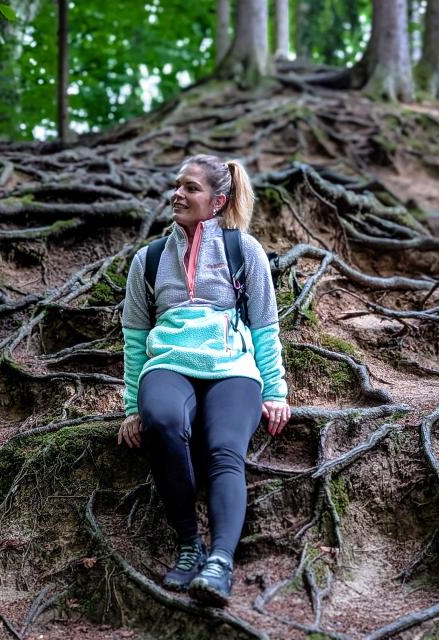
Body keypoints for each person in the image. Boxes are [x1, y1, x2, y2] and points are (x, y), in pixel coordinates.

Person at [117, 154, 291, 606]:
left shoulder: (244, 250)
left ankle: (220, 562)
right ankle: (189, 545)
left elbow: (265, 328)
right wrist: (132, 407)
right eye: (178, 185)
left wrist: (275, 391)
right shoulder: (149, 259)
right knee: (162, 423)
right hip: (168, 365)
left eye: (191, 188)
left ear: (217, 201)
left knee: (224, 449)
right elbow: (135, 338)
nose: (178, 194)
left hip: (233, 369)